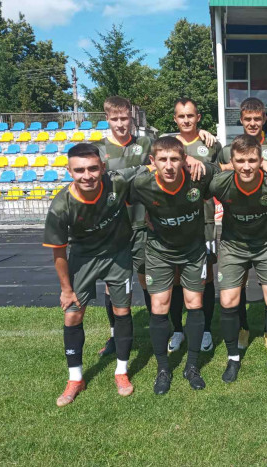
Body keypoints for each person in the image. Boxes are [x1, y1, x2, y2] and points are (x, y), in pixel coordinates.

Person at [44, 143, 148, 407]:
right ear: (69, 171)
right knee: (73, 315)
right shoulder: (61, 206)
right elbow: (58, 252)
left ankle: (121, 372)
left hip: (118, 255)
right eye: (79, 170)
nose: (87, 175)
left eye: (92, 168)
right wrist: (66, 290)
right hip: (83, 259)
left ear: (102, 167)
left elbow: (152, 166)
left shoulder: (117, 182)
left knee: (122, 311)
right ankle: (75, 378)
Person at [130, 136, 219, 394]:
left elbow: (226, 169)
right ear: (153, 161)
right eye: (163, 160)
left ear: (184, 160)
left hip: (193, 250)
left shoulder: (198, 176)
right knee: (159, 305)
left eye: (174, 159)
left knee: (194, 303)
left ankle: (192, 366)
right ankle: (163, 369)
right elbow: (113, 189)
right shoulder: (142, 183)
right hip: (159, 251)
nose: (168, 166)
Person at [210, 134, 267, 383]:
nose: (247, 166)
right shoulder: (220, 184)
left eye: (252, 160)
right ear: (232, 162)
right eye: (240, 161)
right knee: (228, 301)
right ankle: (233, 358)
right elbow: (199, 176)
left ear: (261, 161)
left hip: (265, 246)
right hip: (233, 246)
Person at [217, 97, 267, 350]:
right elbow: (217, 170)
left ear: (264, 118)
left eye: (257, 119)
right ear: (241, 120)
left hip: (265, 230)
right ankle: (243, 328)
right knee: (239, 283)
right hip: (235, 231)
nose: (253, 123)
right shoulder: (228, 149)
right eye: (248, 119)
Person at [92, 96, 153, 358]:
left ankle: (156, 329)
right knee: (113, 284)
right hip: (113, 227)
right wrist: (140, 169)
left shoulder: (145, 144)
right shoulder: (98, 149)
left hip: (142, 224)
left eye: (124, 118)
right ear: (107, 119)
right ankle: (115, 335)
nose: (120, 123)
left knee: (146, 279)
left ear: (132, 118)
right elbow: (104, 182)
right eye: (115, 119)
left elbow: (157, 169)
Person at [169, 98, 221, 355]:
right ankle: (178, 330)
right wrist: (185, 156)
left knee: (206, 274)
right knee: (176, 275)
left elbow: (222, 172)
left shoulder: (211, 144)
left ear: (198, 117)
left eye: (190, 115)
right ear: (175, 119)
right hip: (174, 220)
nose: (186, 120)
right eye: (181, 116)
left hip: (204, 219)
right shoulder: (169, 144)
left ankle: (206, 329)